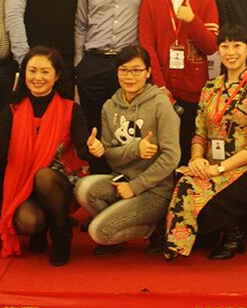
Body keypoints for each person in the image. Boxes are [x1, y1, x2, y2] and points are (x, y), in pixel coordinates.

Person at [164, 24, 247, 261]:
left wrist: (220, 168)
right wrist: (196, 159)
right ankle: (180, 245)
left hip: (245, 165)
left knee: (207, 201)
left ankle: (235, 232)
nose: (230, 52)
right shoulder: (210, 87)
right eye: (225, 46)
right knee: (183, 183)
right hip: (211, 162)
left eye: (237, 46)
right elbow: (200, 133)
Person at [0, 46, 92, 266]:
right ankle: (41, 229)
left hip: (59, 184)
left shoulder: (71, 109)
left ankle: (61, 233)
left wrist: (94, 148)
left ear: (56, 76)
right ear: (24, 74)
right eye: (32, 71)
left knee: (43, 176)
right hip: (23, 185)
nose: (37, 77)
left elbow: (83, 150)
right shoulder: (12, 110)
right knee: (28, 222)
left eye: (45, 72)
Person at [74, 46, 181, 256]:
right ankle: (123, 225)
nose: (129, 76)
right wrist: (134, 150)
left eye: (136, 70)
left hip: (155, 190)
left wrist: (135, 186)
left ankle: (155, 228)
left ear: (148, 72)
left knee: (99, 232)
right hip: (121, 183)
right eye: (123, 70)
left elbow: (171, 157)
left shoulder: (161, 104)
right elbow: (111, 157)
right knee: (83, 188)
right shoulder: (109, 107)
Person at [74, 0, 156, 169]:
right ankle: (98, 178)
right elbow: (80, 23)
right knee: (96, 125)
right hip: (94, 62)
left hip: (129, 65)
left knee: (128, 125)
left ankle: (128, 177)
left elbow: (158, 9)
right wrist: (79, 64)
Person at [138, 0, 218, 167]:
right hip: (159, 89)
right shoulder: (151, 1)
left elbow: (211, 46)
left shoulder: (205, 0)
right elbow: (147, 45)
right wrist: (159, 85)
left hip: (194, 88)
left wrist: (193, 20)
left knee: (188, 148)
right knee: (160, 150)